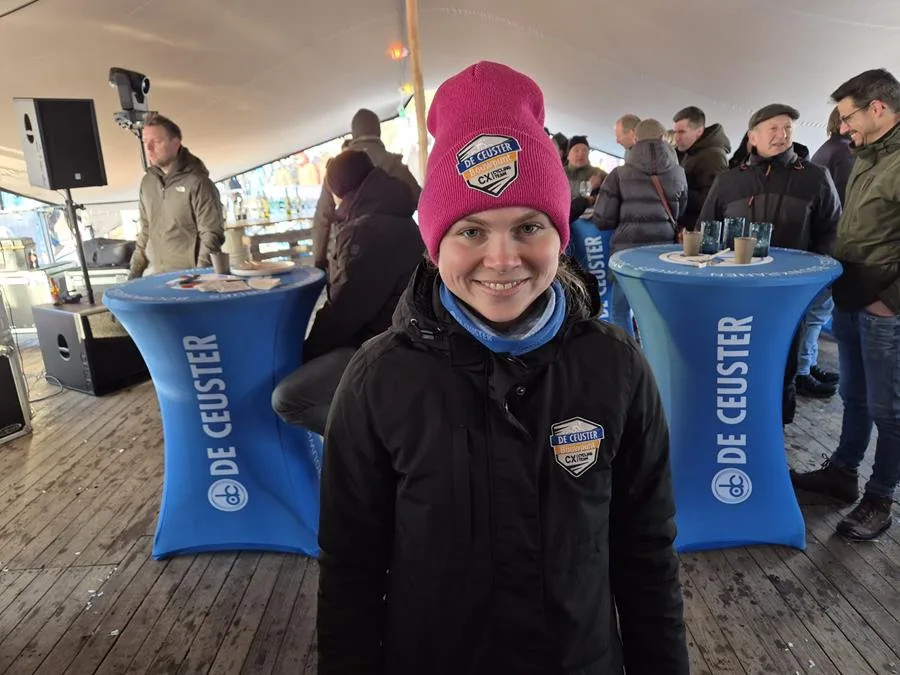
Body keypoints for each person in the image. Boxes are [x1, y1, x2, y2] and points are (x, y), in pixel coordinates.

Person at [316, 60, 689, 675]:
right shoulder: (379, 380)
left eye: (528, 226)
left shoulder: (615, 368)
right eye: (469, 230)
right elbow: (351, 570)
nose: (502, 258)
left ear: (559, 234)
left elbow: (646, 553)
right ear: (435, 247)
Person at [790, 68, 900, 540]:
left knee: (889, 408)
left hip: (883, 307)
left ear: (878, 108)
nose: (842, 127)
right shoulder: (869, 156)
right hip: (852, 295)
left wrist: (889, 302)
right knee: (854, 397)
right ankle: (842, 473)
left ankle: (879, 497)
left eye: (847, 116)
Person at [698, 103, 841, 420]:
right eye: (773, 128)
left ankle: (775, 437)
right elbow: (706, 233)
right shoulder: (729, 181)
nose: (782, 134)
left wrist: (814, 285)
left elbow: (831, 234)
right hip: (733, 299)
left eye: (788, 127)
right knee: (734, 370)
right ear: (753, 136)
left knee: (781, 371)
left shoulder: (816, 178)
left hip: (788, 300)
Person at [271, 150, 422, 435]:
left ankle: (371, 445)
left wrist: (306, 353)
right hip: (403, 337)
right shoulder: (395, 214)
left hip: (384, 347)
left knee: (287, 399)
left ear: (338, 190)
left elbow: (346, 311)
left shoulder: (367, 230)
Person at [592, 118, 687, 336]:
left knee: (620, 310)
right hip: (664, 255)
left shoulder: (619, 174)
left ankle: (627, 356)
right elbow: (680, 212)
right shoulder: (678, 173)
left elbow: (603, 219)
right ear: (664, 137)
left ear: (635, 138)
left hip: (627, 256)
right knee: (658, 312)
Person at [312, 108, 421, 273]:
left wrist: (319, 261)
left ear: (354, 132)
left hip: (350, 255)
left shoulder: (337, 168)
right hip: (397, 254)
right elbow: (422, 202)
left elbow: (322, 217)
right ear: (378, 130)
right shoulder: (396, 166)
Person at [129, 114, 224, 278]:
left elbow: (211, 234)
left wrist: (200, 276)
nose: (149, 149)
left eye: (156, 142)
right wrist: (134, 273)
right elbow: (145, 230)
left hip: (188, 278)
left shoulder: (198, 183)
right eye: (146, 142)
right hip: (154, 276)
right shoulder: (148, 182)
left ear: (176, 143)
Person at [672, 106, 731, 231]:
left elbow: (711, 200)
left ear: (699, 131)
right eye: (675, 132)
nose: (676, 137)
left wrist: (676, 190)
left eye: (682, 132)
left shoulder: (712, 156)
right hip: (691, 228)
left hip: (700, 232)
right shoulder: (692, 152)